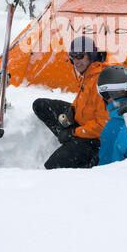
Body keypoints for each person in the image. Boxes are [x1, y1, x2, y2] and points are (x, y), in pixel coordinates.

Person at [32, 36, 110, 169]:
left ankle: (78, 151)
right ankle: (68, 139)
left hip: (94, 141)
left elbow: (103, 127)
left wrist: (73, 132)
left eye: (80, 56)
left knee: (51, 167)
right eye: (72, 56)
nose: (76, 61)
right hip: (82, 123)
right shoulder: (88, 73)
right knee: (40, 105)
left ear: (91, 55)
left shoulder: (101, 82)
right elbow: (82, 99)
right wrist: (72, 110)